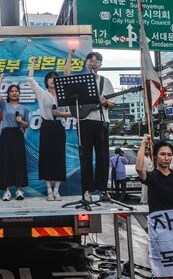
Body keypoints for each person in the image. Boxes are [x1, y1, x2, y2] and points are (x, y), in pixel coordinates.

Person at [136, 135, 173, 279]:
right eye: (162, 154)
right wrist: (144, 144)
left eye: (169, 155)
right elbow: (138, 167)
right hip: (160, 231)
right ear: (155, 157)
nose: (166, 158)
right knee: (163, 270)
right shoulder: (152, 177)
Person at [64, 49, 115, 202]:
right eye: (90, 60)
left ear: (100, 64)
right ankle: (86, 190)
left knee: (103, 157)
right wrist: (70, 55)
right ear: (86, 63)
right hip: (83, 122)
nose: (93, 63)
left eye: (96, 61)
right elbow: (66, 77)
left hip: (101, 122)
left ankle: (103, 190)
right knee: (85, 157)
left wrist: (106, 102)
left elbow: (113, 103)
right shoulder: (80, 79)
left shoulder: (105, 81)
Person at [27, 58, 71, 201]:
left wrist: (60, 114)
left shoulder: (64, 94)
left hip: (59, 127)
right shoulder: (42, 93)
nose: (52, 80)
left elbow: (72, 112)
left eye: (55, 78)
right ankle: (48, 190)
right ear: (46, 81)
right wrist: (33, 63)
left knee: (59, 158)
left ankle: (57, 190)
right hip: (46, 126)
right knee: (46, 158)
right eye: (50, 79)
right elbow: (30, 79)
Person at [0, 73, 30, 201]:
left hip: (18, 134)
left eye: (16, 91)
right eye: (11, 91)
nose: (14, 93)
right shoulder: (4, 105)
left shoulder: (24, 108)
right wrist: (1, 79)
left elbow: (27, 124)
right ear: (8, 94)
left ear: (19, 94)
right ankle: (7, 191)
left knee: (19, 162)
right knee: (6, 162)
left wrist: (21, 121)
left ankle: (19, 190)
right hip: (7, 135)